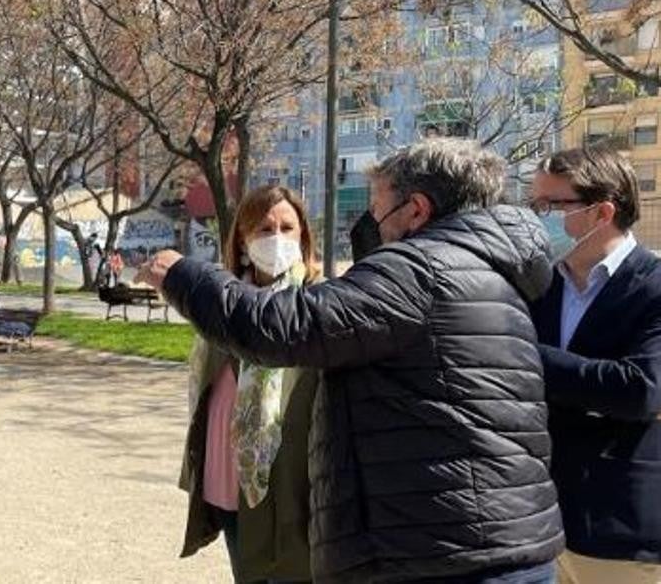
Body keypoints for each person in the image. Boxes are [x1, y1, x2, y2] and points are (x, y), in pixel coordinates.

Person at [137, 139, 564, 583]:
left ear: (416, 209)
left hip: (445, 553)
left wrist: (185, 276)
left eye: (378, 209)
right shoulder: (487, 271)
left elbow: (283, 327)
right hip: (495, 540)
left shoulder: (419, 270)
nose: (372, 224)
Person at [528, 147, 661, 584]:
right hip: (534, 527)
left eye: (551, 206)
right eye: (534, 204)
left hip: (619, 530)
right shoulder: (537, 286)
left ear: (602, 212)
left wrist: (526, 356)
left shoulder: (654, 286)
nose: (537, 217)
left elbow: (641, 389)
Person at [179, 185, 319, 584]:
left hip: (291, 489)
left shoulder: (316, 303)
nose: (277, 239)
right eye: (263, 229)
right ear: (242, 238)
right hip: (227, 481)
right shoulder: (221, 302)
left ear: (303, 237)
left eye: (287, 228)